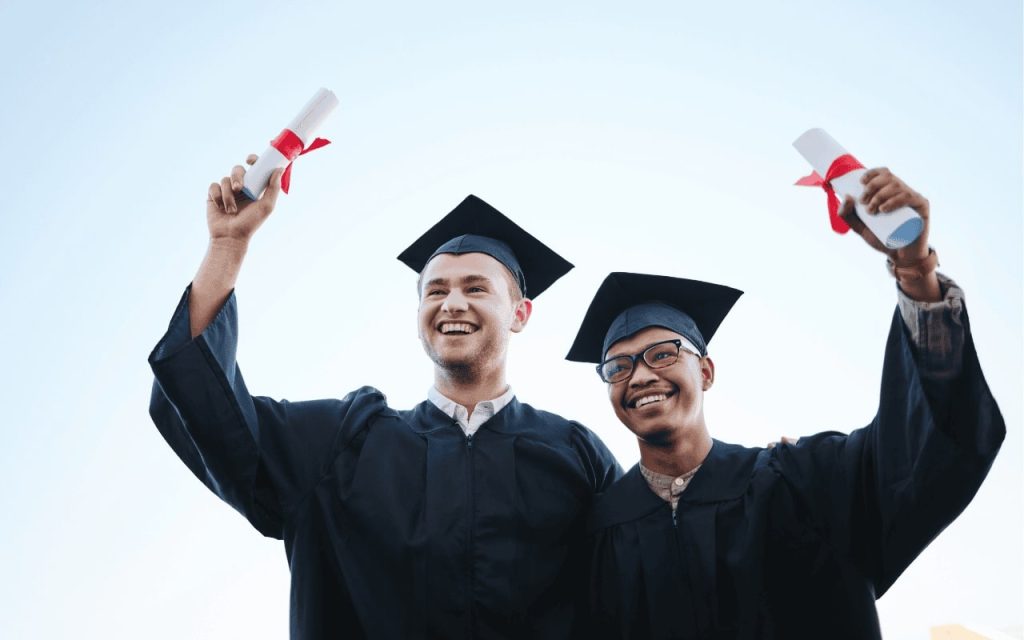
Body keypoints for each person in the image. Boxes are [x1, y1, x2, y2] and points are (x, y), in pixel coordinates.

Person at [148, 157, 622, 639]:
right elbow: (207, 404)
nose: (452, 302)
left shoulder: (575, 455)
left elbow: (646, 582)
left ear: (520, 313)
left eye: (476, 288)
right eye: (434, 291)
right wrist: (228, 246)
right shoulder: (343, 442)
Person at [565, 168, 1004, 639]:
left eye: (663, 354)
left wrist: (915, 270)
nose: (642, 375)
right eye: (619, 367)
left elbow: (924, 448)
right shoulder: (598, 533)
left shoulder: (803, 482)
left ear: (706, 372)